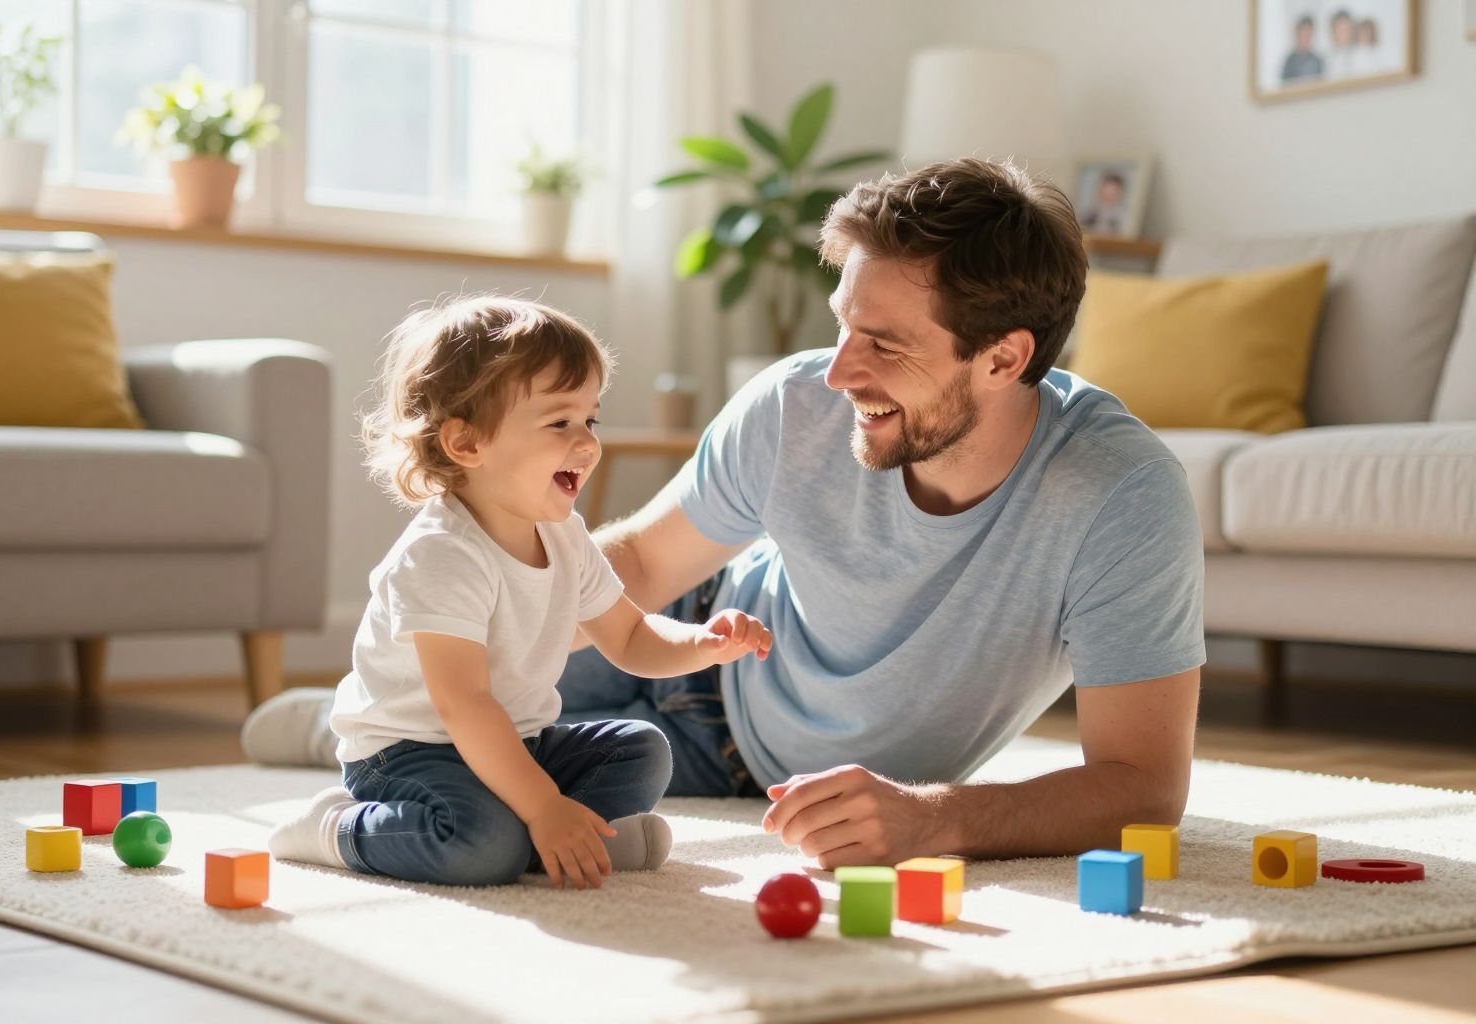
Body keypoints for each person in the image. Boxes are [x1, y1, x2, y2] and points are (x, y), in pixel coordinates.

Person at [248, 158, 1204, 869]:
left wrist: (935, 819)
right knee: (452, 714)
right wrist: (471, 609)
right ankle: (350, 719)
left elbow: (1145, 789)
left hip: (709, 746)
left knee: (515, 740)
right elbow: (645, 566)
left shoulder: (1119, 497)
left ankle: (354, 716)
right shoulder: (798, 404)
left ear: (1002, 357)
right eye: (841, 324)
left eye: (882, 343)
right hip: (684, 638)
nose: (837, 373)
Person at [264, 298, 772, 890]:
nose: (586, 443)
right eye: (560, 423)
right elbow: (466, 706)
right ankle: (337, 829)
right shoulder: (441, 555)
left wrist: (701, 642)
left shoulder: (564, 536)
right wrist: (541, 807)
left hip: (518, 743)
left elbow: (630, 636)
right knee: (481, 848)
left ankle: (560, 838)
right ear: (467, 444)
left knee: (641, 749)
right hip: (411, 751)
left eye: (591, 420)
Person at [1281, 14, 1325, 82]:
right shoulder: (1290, 61)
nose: (1306, 38)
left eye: (1309, 34)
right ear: (1297, 34)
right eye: (1303, 33)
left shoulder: (1317, 60)